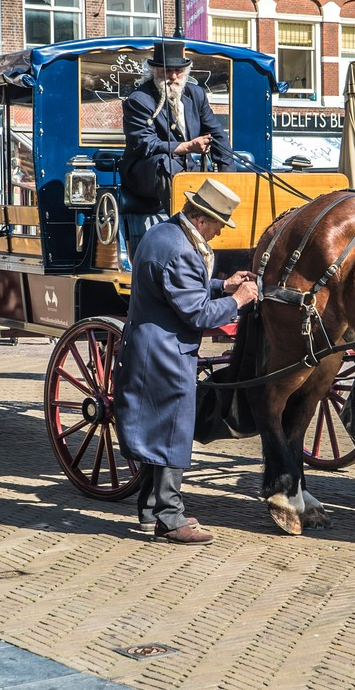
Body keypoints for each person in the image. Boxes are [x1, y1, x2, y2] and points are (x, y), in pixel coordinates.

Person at [112, 178, 258, 545]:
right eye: (220, 225)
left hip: (149, 347)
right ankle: (171, 519)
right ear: (204, 220)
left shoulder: (162, 234)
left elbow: (174, 287)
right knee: (172, 432)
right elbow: (197, 314)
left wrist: (221, 285)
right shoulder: (181, 250)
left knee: (155, 430)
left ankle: (150, 511)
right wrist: (238, 299)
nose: (220, 233)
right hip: (166, 354)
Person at [118, 40, 234, 250]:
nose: (172, 76)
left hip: (183, 168)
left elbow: (216, 134)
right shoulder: (139, 99)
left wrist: (228, 179)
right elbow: (146, 144)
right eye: (167, 71)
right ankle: (183, 234)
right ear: (154, 71)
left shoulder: (195, 94)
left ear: (185, 71)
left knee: (226, 170)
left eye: (178, 71)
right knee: (166, 164)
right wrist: (188, 147)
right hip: (144, 171)